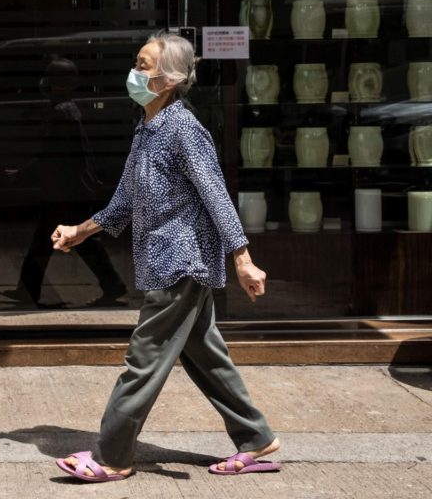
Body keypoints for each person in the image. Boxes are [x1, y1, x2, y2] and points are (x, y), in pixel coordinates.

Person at [52, 32, 280, 482]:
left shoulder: (183, 130)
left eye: (143, 64)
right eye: (136, 63)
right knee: (205, 355)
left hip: (181, 261)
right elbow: (124, 202)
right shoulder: (147, 127)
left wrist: (242, 258)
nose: (135, 73)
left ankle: (111, 456)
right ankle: (257, 439)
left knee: (144, 358)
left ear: (170, 78)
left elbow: (216, 195)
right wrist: (81, 231)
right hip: (165, 259)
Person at [1, 58, 126, 308]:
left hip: (66, 191)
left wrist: (23, 173)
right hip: (66, 189)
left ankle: (29, 291)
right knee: (67, 241)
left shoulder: (63, 111)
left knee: (63, 241)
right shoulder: (65, 108)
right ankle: (28, 290)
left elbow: (55, 154)